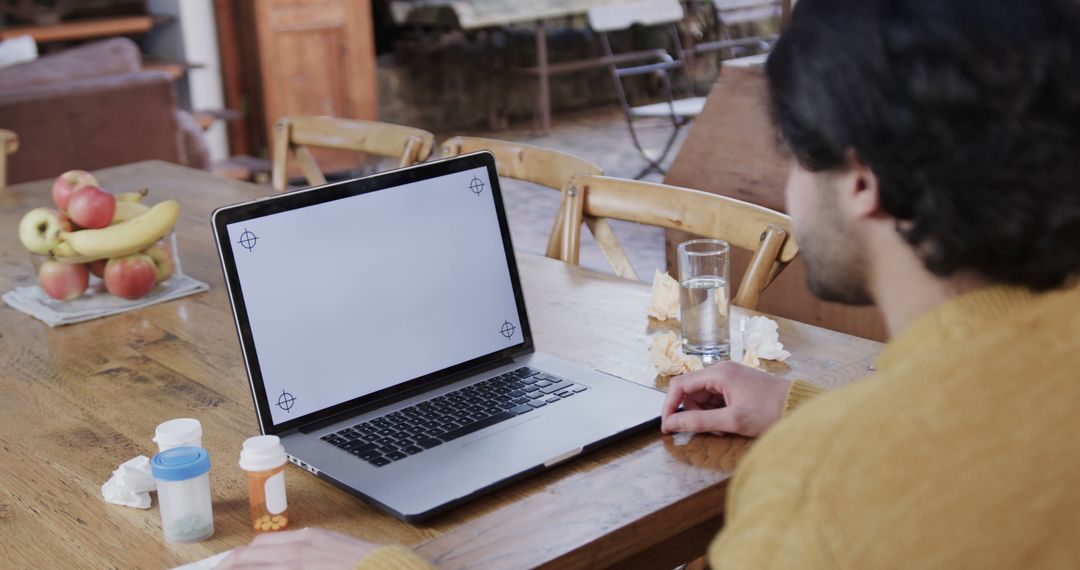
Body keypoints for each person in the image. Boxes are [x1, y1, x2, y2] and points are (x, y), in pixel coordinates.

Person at [220, 0, 1080, 567]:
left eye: (791, 156)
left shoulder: (830, 488)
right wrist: (797, 407)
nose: (785, 189)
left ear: (863, 181)